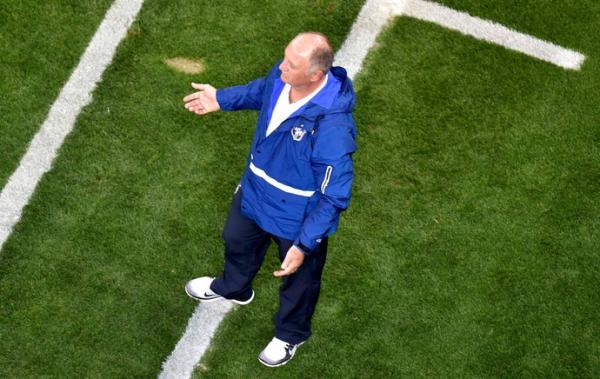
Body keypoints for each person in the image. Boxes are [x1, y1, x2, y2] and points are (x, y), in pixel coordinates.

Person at [182, 32, 356, 367]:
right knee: (235, 240)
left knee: (298, 281)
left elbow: (335, 196)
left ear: (315, 75)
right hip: (255, 192)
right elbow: (259, 91)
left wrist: (304, 244)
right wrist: (221, 98)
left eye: (291, 64)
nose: (281, 67)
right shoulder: (281, 80)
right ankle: (234, 288)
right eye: (284, 58)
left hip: (296, 217)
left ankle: (290, 335)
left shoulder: (333, 127)